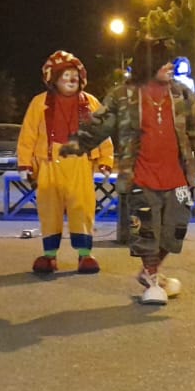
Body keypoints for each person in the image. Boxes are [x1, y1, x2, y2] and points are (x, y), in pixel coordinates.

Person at [61, 37, 195, 305]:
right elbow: (99, 124)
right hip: (140, 178)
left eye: (171, 60)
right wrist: (76, 145)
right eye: (164, 61)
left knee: (176, 229)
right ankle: (153, 280)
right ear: (149, 63)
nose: (170, 66)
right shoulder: (123, 96)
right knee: (146, 233)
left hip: (179, 180)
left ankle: (150, 273)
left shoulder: (182, 94)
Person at [18, 50, 114, 275]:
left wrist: (105, 159)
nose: (72, 80)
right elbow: (28, 134)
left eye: (75, 76)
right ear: (53, 79)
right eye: (65, 76)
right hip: (49, 162)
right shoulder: (39, 103)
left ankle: (84, 254)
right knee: (49, 208)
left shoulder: (90, 102)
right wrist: (25, 163)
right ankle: (49, 256)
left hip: (80, 161)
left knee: (82, 207)